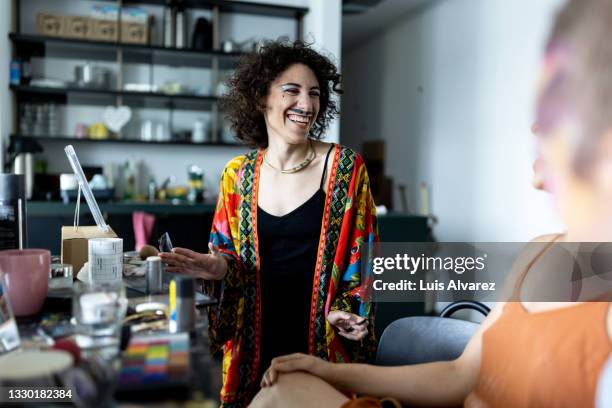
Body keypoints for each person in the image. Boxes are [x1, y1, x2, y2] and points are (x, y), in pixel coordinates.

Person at [252, 1, 612, 407]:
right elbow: (460, 373)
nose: (536, 125)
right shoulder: (539, 249)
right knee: (282, 389)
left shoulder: (344, 167)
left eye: (560, 103)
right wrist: (327, 370)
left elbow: (361, 259)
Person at [160, 40, 378, 407]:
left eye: (314, 94)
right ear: (261, 98)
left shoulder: (346, 169)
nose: (306, 105)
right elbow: (226, 255)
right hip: (253, 351)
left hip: (321, 350)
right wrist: (218, 267)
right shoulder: (237, 176)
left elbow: (368, 259)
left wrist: (348, 308)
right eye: (291, 91)